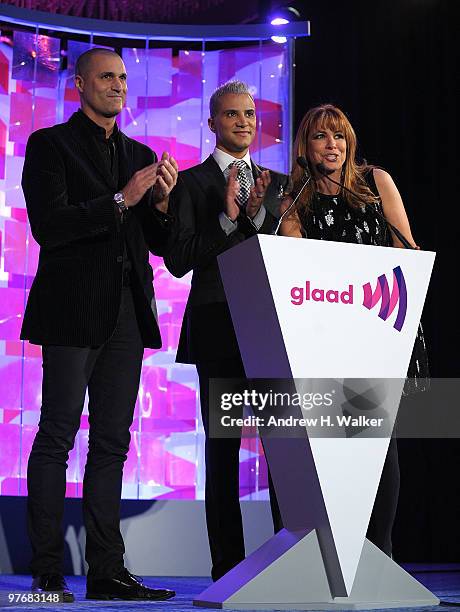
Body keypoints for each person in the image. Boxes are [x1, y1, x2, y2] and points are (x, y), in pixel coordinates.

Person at [21, 48, 178, 602]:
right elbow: (50, 227)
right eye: (106, 77)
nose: (117, 86)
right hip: (72, 309)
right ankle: (45, 570)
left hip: (126, 315)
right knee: (57, 435)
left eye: (123, 78)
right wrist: (121, 199)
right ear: (80, 84)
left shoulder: (138, 154)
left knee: (112, 442)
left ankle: (107, 570)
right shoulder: (50, 146)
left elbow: (158, 246)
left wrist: (159, 206)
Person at [279, 103, 429, 555]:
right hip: (328, 336)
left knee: (381, 447)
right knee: (337, 448)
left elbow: (408, 249)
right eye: (321, 137)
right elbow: (295, 267)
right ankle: (334, 552)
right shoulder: (295, 198)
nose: (333, 145)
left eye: (339, 136)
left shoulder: (375, 184)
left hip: (381, 329)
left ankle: (379, 552)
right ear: (305, 146)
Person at [164, 80, 288, 581]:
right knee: (222, 451)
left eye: (250, 114)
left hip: (274, 331)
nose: (243, 122)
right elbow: (177, 260)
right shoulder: (192, 184)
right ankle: (228, 569)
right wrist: (227, 219)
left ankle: (288, 562)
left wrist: (259, 216)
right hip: (218, 329)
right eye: (232, 114)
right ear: (213, 122)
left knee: (285, 451)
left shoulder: (278, 185)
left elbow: (286, 255)